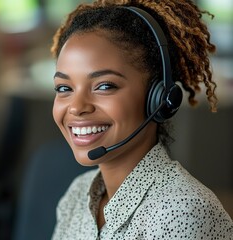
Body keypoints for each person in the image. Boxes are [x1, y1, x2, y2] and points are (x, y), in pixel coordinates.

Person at [50, 0, 233, 239]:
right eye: (64, 88)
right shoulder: (77, 195)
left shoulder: (181, 213)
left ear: (159, 99)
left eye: (104, 86)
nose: (76, 107)